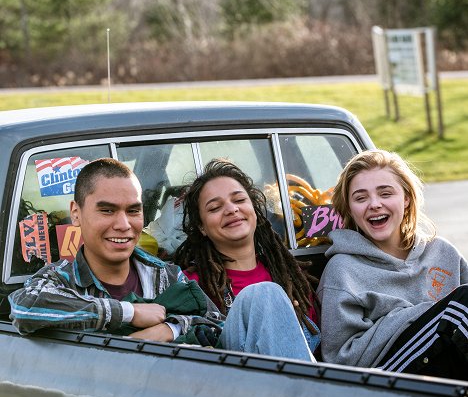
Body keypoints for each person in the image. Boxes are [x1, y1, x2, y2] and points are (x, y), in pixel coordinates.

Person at [9, 158, 314, 361]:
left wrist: (168, 329)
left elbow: (216, 324)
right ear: (76, 213)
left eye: (133, 210)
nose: (123, 225)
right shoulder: (59, 280)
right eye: (107, 210)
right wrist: (129, 314)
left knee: (264, 294)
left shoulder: (165, 275)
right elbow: (25, 309)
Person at [317, 149, 468, 379]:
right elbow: (339, 360)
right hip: (387, 381)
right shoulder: (343, 270)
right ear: (349, 208)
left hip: (452, 370)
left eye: (385, 193)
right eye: (361, 198)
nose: (374, 204)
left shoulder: (443, 252)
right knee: (458, 308)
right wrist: (422, 314)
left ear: (406, 198)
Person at [173, 159, 321, 356]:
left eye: (239, 200)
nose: (232, 209)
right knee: (266, 294)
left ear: (255, 210)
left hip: (300, 376)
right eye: (215, 208)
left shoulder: (292, 279)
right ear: (202, 227)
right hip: (236, 382)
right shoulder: (191, 286)